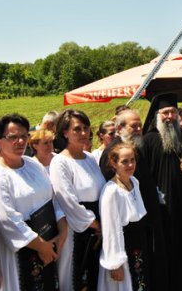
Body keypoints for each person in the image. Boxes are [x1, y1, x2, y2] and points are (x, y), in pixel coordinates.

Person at [0, 114, 68, 291]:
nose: (20, 141)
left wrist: (62, 231)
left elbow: (52, 196)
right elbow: (7, 219)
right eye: (13, 137)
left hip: (49, 242)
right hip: (21, 250)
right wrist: (41, 246)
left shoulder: (32, 164)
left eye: (24, 136)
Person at [99, 108, 167, 291]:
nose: (138, 129)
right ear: (120, 128)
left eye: (140, 125)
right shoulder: (113, 154)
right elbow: (111, 224)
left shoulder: (135, 147)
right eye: (133, 126)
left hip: (141, 235)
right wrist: (115, 262)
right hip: (124, 241)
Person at [142, 92, 182, 291]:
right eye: (165, 112)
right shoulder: (148, 140)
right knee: (166, 246)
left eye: (173, 112)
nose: (170, 117)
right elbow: (144, 176)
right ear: (157, 115)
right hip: (162, 207)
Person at [50, 109, 106, 291]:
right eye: (77, 129)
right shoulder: (60, 162)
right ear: (65, 132)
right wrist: (96, 224)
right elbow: (68, 200)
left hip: (98, 228)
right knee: (77, 279)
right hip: (78, 229)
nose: (83, 133)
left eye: (85, 128)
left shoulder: (89, 158)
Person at [98, 141, 148, 291]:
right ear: (114, 163)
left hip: (138, 245)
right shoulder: (111, 191)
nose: (130, 165)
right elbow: (111, 230)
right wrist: (115, 264)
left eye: (132, 160)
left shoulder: (134, 182)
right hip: (122, 249)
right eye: (124, 161)